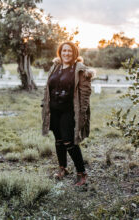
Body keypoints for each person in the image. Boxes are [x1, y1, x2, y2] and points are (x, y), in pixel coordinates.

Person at [41, 41, 94, 186]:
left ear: (75, 53)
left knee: (69, 141)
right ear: (60, 52)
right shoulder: (56, 66)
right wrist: (44, 104)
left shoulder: (80, 70)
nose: (66, 53)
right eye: (64, 51)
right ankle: (62, 168)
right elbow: (48, 88)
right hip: (54, 110)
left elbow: (85, 95)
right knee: (58, 140)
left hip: (69, 111)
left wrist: (82, 114)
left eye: (70, 51)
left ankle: (81, 173)